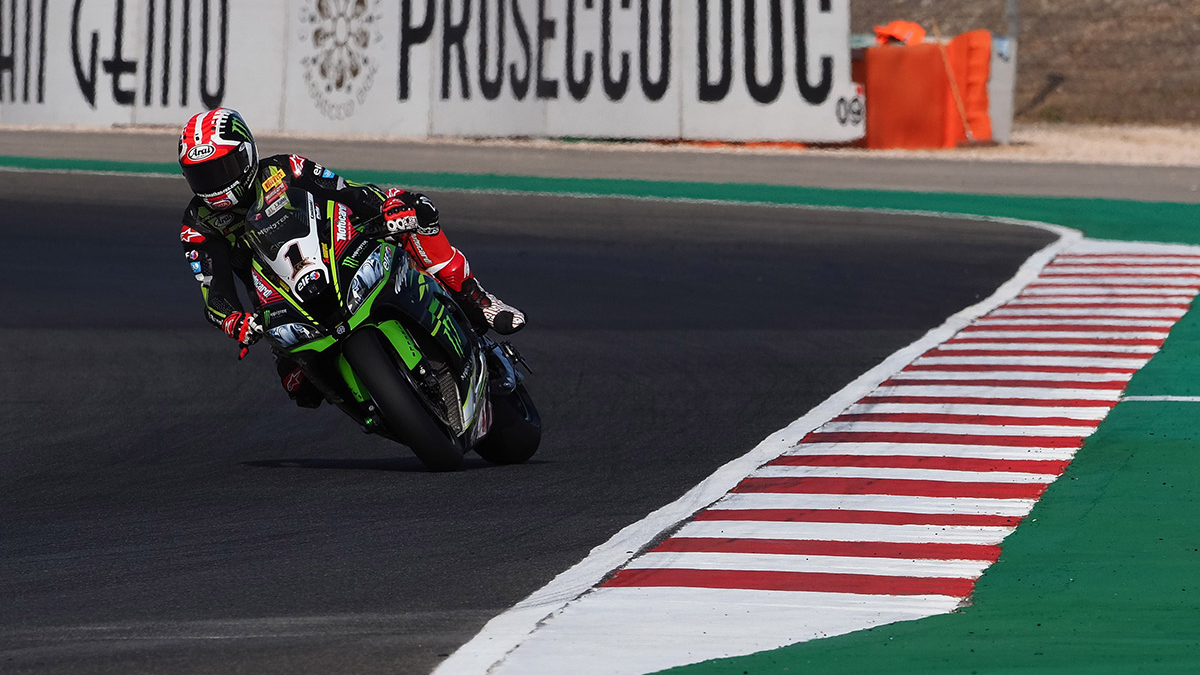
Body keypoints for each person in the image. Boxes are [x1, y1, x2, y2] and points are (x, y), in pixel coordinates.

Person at [177, 107, 525, 407]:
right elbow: (214, 291)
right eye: (201, 175)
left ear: (247, 154)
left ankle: (475, 298)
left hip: (336, 254)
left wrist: (386, 206)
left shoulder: (286, 168)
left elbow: (346, 192)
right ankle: (379, 408)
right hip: (279, 302)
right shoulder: (197, 225)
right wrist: (233, 319)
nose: (214, 184)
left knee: (415, 212)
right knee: (298, 387)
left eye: (222, 168)